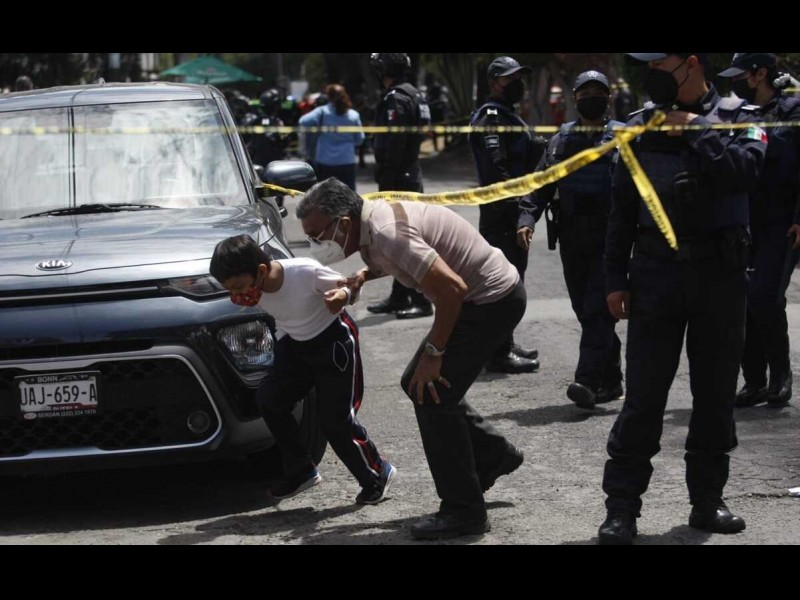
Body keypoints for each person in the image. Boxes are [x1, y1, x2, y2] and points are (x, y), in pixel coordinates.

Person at [297, 177, 526, 540]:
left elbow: (451, 290)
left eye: (316, 235)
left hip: (489, 301)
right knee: (417, 384)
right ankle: (494, 455)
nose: (315, 244)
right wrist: (362, 276)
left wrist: (434, 353)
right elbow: (403, 260)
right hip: (476, 299)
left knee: (432, 394)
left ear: (343, 223)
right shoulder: (371, 227)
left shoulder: (387, 232)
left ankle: (464, 512)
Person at [598, 53, 766, 545]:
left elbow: (746, 172)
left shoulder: (741, 118)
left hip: (720, 275)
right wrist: (614, 277)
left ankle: (707, 501)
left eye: (660, 63)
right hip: (655, 274)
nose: (650, 73)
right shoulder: (637, 126)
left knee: (715, 394)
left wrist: (696, 130)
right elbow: (621, 208)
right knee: (644, 396)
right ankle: (622, 509)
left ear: (691, 63)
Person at [209, 234, 396, 505]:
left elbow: (350, 286)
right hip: (294, 344)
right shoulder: (257, 289)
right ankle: (301, 470)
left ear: (260, 271)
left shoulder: (304, 271)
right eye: (230, 290)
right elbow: (284, 315)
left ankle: (377, 474)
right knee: (270, 399)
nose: (237, 296)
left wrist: (342, 296)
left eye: (239, 287)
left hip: (333, 344)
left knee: (335, 420)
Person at [517, 70, 624, 408]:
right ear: (575, 99)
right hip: (573, 238)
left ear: (609, 98)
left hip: (611, 238)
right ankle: (611, 379)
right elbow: (541, 183)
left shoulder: (624, 137)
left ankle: (587, 381)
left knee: (596, 310)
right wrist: (527, 218)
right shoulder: (561, 141)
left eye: (598, 92)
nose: (591, 97)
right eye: (585, 92)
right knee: (586, 310)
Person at [717, 53, 800, 408]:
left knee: (765, 296)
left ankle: (780, 376)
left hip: (781, 221)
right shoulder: (736, 113)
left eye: (742, 75)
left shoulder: (792, 111)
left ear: (761, 73)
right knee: (740, 300)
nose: (736, 82)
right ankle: (754, 381)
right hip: (742, 219)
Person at [468, 56, 544, 374]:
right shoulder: (492, 117)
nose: (517, 83)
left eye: (519, 78)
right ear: (494, 82)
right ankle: (498, 353)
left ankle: (504, 342)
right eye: (510, 78)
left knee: (512, 278)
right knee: (504, 282)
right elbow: (496, 167)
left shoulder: (507, 113)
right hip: (502, 211)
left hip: (512, 207)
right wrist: (513, 204)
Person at [366, 53, 433, 320]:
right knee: (398, 238)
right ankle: (399, 295)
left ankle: (421, 299)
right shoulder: (413, 93)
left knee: (406, 239)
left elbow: (396, 141)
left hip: (399, 177)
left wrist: (388, 177)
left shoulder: (396, 97)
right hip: (407, 172)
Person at [298, 84, 364, 191]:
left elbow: (303, 121)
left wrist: (317, 127)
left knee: (325, 194)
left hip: (325, 162)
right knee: (348, 195)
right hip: (347, 161)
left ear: (328, 96)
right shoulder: (354, 115)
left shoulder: (322, 112)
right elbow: (359, 140)